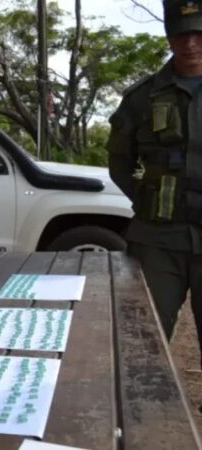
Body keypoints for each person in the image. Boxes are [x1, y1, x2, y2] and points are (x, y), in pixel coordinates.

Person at [107, 0, 202, 366]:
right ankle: (142, 419)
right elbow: (119, 161)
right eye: (181, 34)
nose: (190, 43)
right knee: (144, 339)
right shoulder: (142, 97)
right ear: (169, 37)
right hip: (159, 240)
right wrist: (150, 199)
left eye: (197, 33)